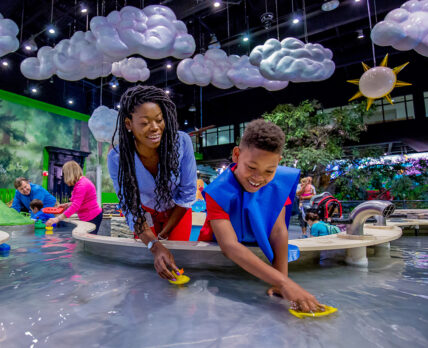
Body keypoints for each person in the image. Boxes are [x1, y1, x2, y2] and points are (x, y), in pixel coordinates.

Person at [198, 119, 322, 313]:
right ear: (237, 155)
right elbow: (229, 246)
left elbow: (279, 230)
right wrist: (284, 283)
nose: (258, 177)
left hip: (256, 256)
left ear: (278, 164)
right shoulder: (218, 192)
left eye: (269, 170)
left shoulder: (280, 183)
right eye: (251, 167)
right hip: (216, 257)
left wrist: (281, 279)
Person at [107, 85, 197, 281]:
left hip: (178, 212)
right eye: (145, 122)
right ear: (129, 124)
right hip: (144, 214)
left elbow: (188, 193)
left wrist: (164, 235)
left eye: (159, 120)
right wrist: (154, 244)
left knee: (176, 263)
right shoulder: (117, 158)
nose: (155, 127)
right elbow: (131, 208)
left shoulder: (181, 143)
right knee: (147, 265)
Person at [46, 161, 103, 234]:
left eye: (65, 174)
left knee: (88, 241)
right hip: (90, 215)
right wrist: (67, 205)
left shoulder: (81, 185)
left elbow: (75, 206)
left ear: (69, 173)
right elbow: (81, 201)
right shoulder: (81, 182)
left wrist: (57, 219)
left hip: (92, 217)